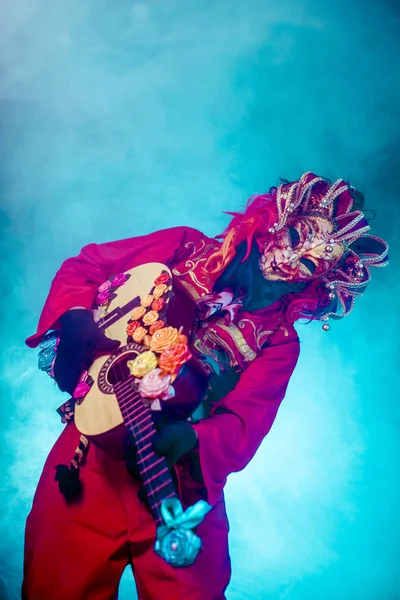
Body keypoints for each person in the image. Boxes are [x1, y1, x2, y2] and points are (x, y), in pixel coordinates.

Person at [22, 172, 388, 600]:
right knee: (54, 584)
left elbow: (242, 428)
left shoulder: (279, 343)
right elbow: (84, 268)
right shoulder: (184, 247)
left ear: (319, 281)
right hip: (87, 461)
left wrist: (191, 442)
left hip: (174, 479)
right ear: (278, 218)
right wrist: (76, 318)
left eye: (311, 262)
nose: (290, 259)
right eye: (298, 235)